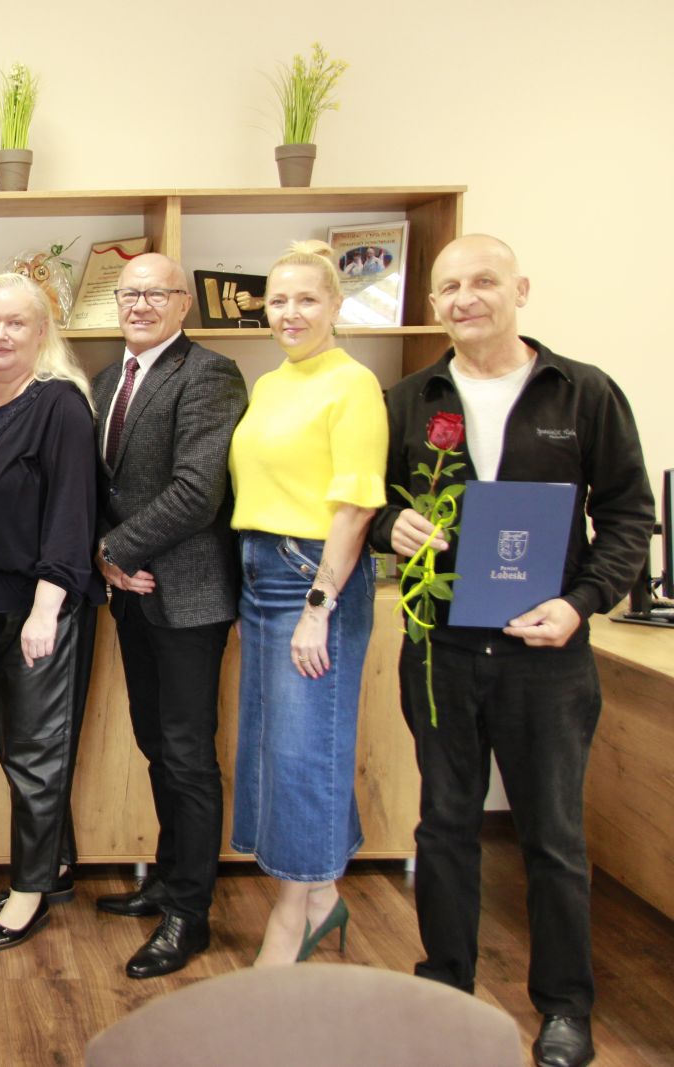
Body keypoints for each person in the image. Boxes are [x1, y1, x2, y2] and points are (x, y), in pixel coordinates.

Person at [368, 235, 654, 1067]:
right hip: (440, 651)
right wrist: (391, 525)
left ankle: (565, 1008)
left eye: (483, 281)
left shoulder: (584, 392)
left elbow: (629, 516)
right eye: (449, 286)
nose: (465, 298)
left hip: (546, 654)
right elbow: (369, 503)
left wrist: (580, 603)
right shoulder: (408, 400)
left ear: (519, 289)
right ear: (435, 303)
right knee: (444, 827)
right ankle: (444, 990)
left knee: (552, 837)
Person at [226, 239, 386, 967]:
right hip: (260, 569)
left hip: (313, 576)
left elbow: (356, 505)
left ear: (336, 305)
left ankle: (293, 915)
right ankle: (323, 896)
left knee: (302, 752)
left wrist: (318, 606)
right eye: (279, 300)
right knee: (280, 742)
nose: (290, 313)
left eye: (307, 300)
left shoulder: (352, 383)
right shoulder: (271, 383)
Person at [0, 272, 104, 952]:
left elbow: (72, 510)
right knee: (20, 745)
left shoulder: (59, 404)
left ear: (41, 333)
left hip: (41, 605)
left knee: (36, 751)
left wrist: (46, 607)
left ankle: (29, 892)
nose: (0, 333)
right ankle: (54, 863)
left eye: (15, 323)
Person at [92, 253, 248, 979]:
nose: (141, 305)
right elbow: (104, 486)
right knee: (155, 742)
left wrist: (112, 549)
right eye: (130, 294)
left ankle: (191, 912)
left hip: (188, 595)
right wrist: (107, 561)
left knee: (188, 754)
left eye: (157, 293)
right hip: (131, 592)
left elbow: (196, 492)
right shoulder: (105, 380)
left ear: (185, 304)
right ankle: (165, 878)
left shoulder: (210, 375)